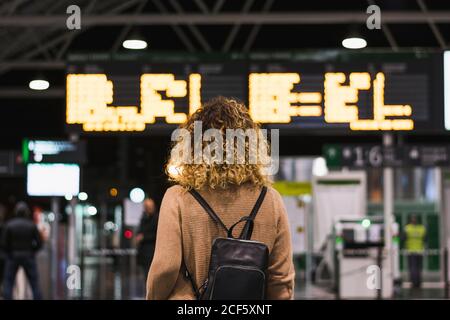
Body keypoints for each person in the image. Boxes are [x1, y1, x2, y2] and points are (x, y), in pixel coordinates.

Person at [146, 97, 295, 300]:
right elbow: (281, 280)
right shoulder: (270, 199)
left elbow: (165, 268)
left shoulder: (178, 198)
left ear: (192, 146)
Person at [2, 201, 43, 300]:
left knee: (8, 282)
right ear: (26, 212)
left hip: (13, 256)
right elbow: (39, 243)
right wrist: (32, 251)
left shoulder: (9, 225)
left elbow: (3, 243)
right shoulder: (31, 225)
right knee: (34, 283)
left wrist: (9, 253)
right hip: (28, 256)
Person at [136, 197, 159, 275]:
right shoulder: (144, 218)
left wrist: (143, 237)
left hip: (152, 252)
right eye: (146, 207)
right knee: (145, 274)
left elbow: (157, 235)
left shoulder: (157, 218)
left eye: (149, 207)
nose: (148, 208)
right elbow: (140, 231)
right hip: (144, 252)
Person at [404, 214, 426, 289]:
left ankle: (414, 283)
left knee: (413, 268)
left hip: (411, 251)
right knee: (418, 268)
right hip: (419, 251)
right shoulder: (421, 228)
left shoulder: (407, 228)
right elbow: (425, 239)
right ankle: (418, 283)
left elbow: (403, 239)